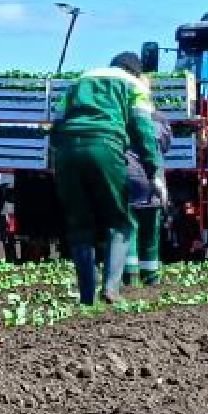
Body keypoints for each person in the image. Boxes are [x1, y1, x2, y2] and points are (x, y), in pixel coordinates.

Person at [49, 51, 159, 305]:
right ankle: (111, 290)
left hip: (67, 152)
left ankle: (87, 297)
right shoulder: (134, 85)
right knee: (120, 221)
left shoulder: (79, 82)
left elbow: (56, 123)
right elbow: (144, 130)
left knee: (79, 226)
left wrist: (61, 155)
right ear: (136, 71)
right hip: (104, 147)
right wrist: (154, 172)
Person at [123, 115, 172, 288]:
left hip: (127, 177)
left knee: (129, 229)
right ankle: (151, 277)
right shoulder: (160, 121)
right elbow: (165, 146)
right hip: (153, 181)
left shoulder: (121, 118)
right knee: (151, 232)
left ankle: (129, 277)